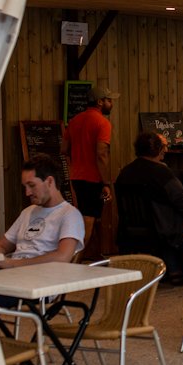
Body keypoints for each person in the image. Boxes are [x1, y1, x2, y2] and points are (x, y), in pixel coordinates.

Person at [114, 132, 183, 284]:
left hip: (130, 229)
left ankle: (175, 270)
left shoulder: (125, 172)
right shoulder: (161, 171)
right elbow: (181, 198)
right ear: (158, 150)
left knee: (169, 228)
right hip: (161, 228)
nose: (165, 151)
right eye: (164, 147)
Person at [0, 154, 84, 269]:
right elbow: (2, 245)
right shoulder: (27, 212)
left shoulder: (70, 214)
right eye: (25, 187)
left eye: (32, 185)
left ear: (49, 181)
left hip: (41, 279)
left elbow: (62, 257)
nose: (27, 193)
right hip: (14, 276)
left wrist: (12, 264)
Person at [62, 84, 117, 248]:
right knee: (89, 219)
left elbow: (63, 149)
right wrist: (106, 183)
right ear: (100, 102)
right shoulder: (102, 123)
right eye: (109, 100)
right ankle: (73, 261)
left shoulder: (74, 121)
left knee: (86, 216)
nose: (111, 103)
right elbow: (101, 154)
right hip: (93, 178)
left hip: (76, 177)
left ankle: (89, 258)